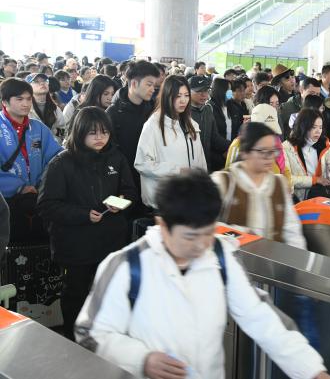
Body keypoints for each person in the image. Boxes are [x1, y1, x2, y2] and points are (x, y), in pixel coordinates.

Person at [75, 169, 330, 379]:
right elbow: (90, 334)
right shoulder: (127, 266)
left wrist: (313, 371)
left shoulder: (221, 257)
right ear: (162, 224)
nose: (201, 245)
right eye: (190, 236)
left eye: (209, 233)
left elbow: (263, 319)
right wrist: (141, 359)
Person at [37, 107, 137, 340]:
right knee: (76, 295)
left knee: (109, 293)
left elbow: (131, 191)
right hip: (75, 245)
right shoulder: (61, 163)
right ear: (80, 132)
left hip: (110, 241)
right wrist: (83, 214)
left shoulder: (116, 157)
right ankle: (74, 340)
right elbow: (47, 205)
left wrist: (122, 201)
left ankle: (105, 339)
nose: (100, 138)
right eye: (93, 133)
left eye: (104, 132)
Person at [214, 121, 300, 245]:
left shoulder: (279, 183)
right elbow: (206, 225)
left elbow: (292, 230)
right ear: (245, 152)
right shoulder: (223, 182)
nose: (270, 157)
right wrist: (241, 233)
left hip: (275, 260)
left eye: (273, 151)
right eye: (262, 151)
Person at [0, 78, 61, 242]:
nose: (26, 104)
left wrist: (44, 183)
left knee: (38, 243)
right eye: (19, 99)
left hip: (38, 197)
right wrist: (19, 187)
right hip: (6, 203)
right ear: (5, 101)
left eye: (28, 98)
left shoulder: (38, 127)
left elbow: (56, 157)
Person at [135, 76, 207, 209]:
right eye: (178, 96)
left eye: (186, 95)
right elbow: (142, 163)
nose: (183, 100)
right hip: (164, 204)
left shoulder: (192, 124)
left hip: (190, 200)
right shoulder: (153, 125)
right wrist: (177, 171)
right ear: (167, 96)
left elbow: (200, 161)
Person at [106, 60, 160, 192]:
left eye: (154, 85)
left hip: (150, 176)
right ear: (134, 83)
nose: (153, 89)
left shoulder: (153, 108)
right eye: (149, 84)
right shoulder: (113, 112)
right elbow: (109, 149)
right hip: (124, 179)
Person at [283, 108, 330, 201]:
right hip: (298, 199)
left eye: (320, 127)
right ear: (303, 126)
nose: (318, 131)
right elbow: (288, 179)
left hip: (323, 195)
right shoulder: (286, 147)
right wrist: (315, 180)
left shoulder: (325, 144)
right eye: (313, 127)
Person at [188, 75, 230, 172]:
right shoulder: (183, 113)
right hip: (189, 168)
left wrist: (234, 145)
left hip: (206, 165)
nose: (204, 95)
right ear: (188, 92)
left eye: (206, 91)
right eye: (199, 91)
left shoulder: (207, 110)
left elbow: (214, 137)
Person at [27, 72, 65, 142]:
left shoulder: (55, 108)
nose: (42, 83)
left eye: (44, 81)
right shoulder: (26, 109)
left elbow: (63, 130)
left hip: (55, 148)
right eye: (36, 81)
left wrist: (55, 136)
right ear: (28, 87)